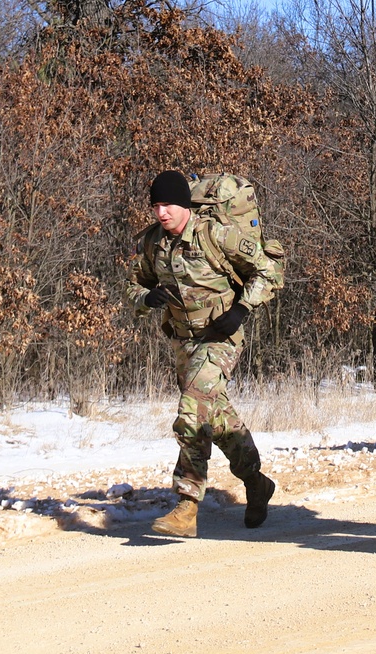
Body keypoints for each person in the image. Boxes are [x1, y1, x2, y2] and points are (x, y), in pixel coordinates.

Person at [125, 170, 276, 537]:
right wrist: (147, 298)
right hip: (184, 343)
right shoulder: (153, 244)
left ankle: (187, 504)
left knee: (191, 411)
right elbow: (133, 286)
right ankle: (256, 483)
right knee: (218, 420)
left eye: (168, 205)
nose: (161, 212)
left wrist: (241, 310)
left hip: (220, 338)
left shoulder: (215, 234)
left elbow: (268, 270)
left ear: (185, 205)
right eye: (156, 205)